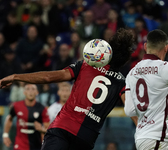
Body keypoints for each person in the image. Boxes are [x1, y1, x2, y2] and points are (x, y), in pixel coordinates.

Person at [0, 28, 137, 150]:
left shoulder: (86, 65)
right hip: (86, 137)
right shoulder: (122, 82)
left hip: (63, 126)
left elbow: (48, 77)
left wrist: (16, 77)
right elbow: (131, 109)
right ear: (125, 59)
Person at [3, 84, 50, 150]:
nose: (30, 91)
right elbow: (9, 119)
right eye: (28, 89)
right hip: (20, 145)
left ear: (37, 92)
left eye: (33, 89)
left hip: (36, 145)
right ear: (24, 92)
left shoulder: (42, 109)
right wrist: (5, 135)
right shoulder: (16, 106)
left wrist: (42, 130)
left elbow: (48, 129)